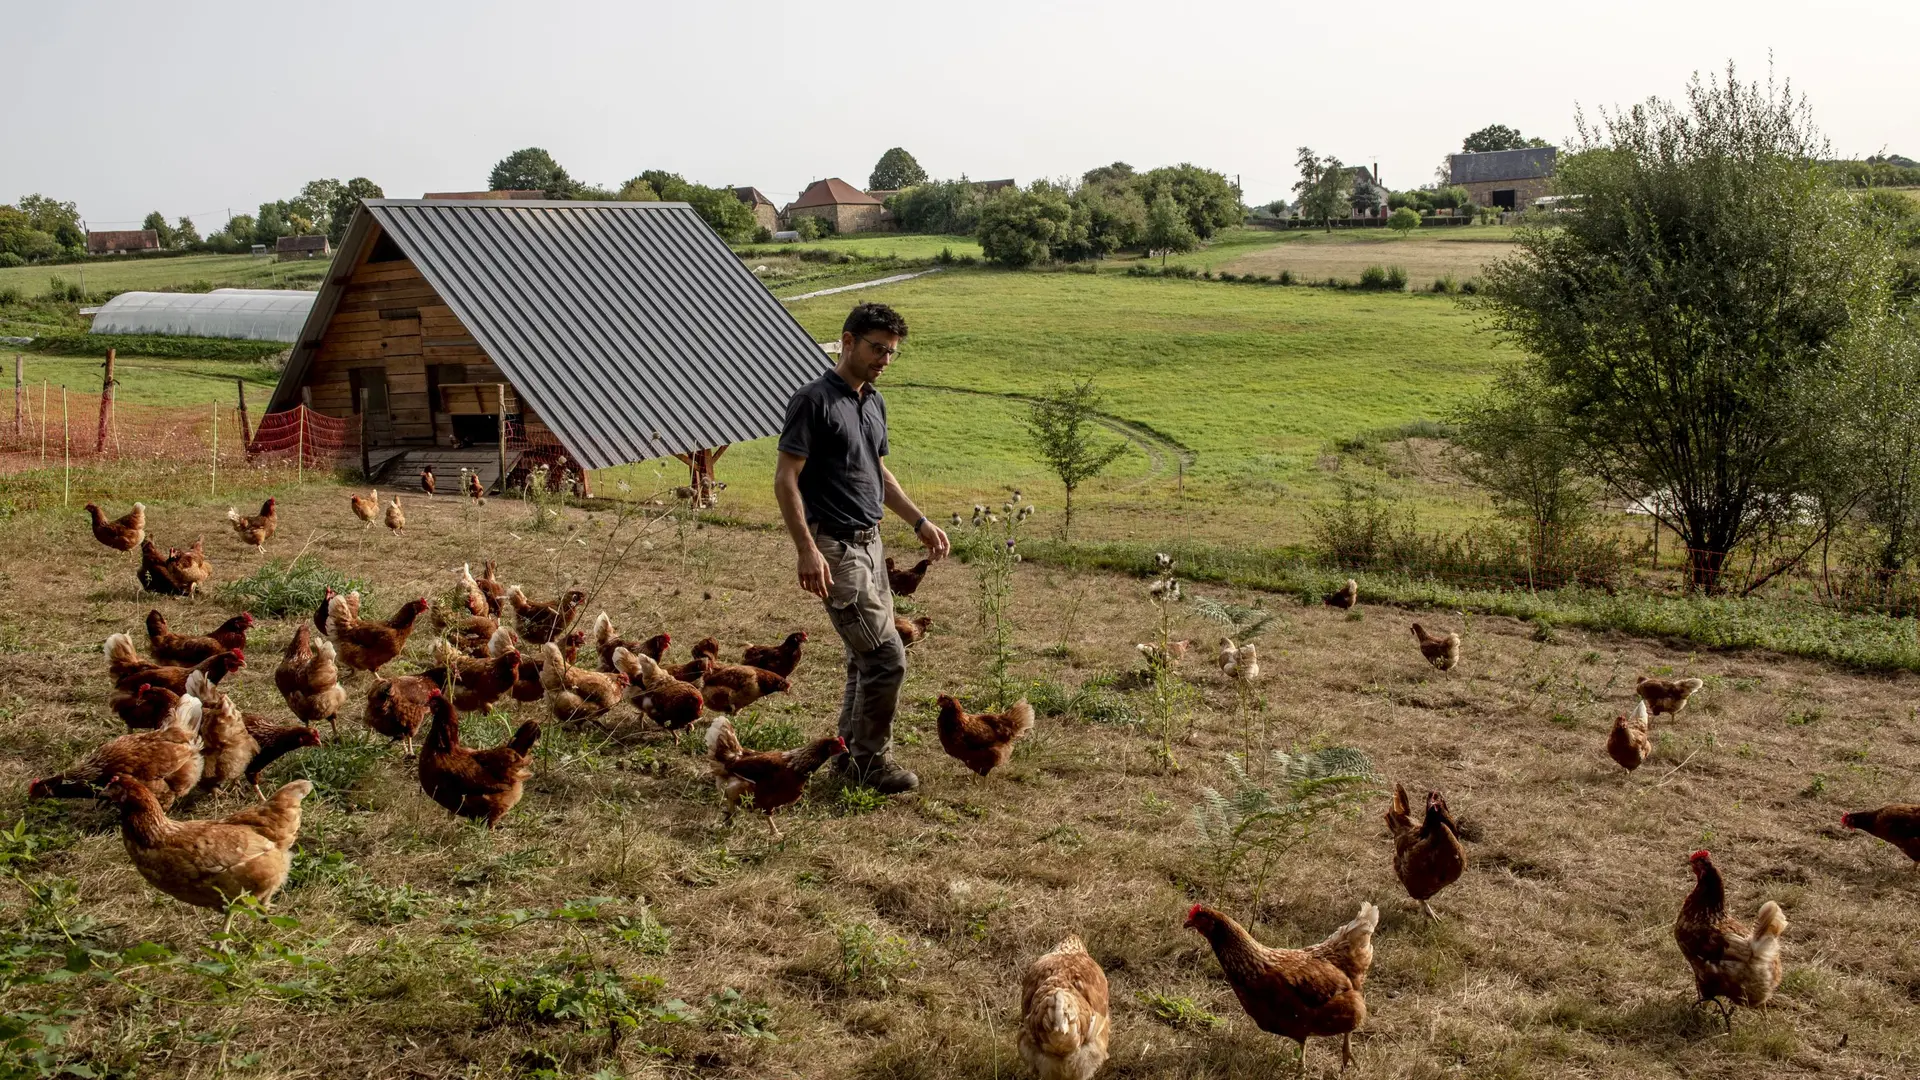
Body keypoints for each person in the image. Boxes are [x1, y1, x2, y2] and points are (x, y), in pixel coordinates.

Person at [774, 302, 949, 794]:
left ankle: (850, 758)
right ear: (847, 341)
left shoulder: (873, 402)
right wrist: (806, 550)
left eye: (891, 353)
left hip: (871, 547)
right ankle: (871, 763)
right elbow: (786, 479)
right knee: (886, 658)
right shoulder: (812, 401)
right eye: (877, 349)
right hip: (834, 549)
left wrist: (918, 520)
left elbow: (879, 474)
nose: (884, 360)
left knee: (863, 658)